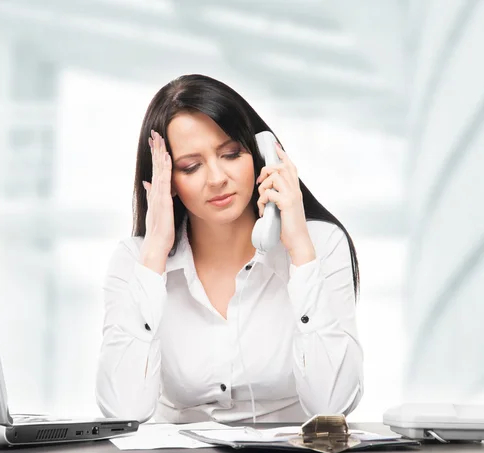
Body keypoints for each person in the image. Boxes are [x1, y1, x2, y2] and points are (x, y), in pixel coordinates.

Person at [95, 74, 363, 423]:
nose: (217, 178)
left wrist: (300, 251)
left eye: (231, 153)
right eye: (191, 167)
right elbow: (123, 412)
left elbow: (333, 405)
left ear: (259, 154)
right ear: (167, 180)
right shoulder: (135, 260)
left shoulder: (321, 245)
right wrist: (154, 257)